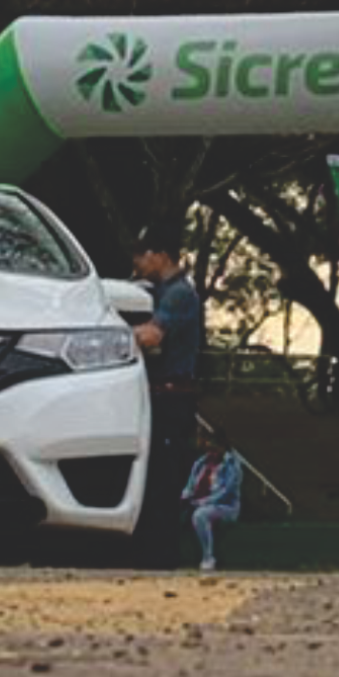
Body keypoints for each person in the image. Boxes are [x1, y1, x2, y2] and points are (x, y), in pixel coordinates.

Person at [133, 227, 206, 561]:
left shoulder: (179, 294)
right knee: (155, 473)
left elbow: (151, 337)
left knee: (165, 474)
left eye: (141, 256)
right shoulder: (161, 291)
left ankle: (162, 554)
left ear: (159, 255)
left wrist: (112, 334)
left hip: (172, 395)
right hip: (160, 394)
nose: (137, 264)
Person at [181, 429, 243, 572]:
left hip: (226, 507)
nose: (210, 453)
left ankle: (208, 557)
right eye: (208, 449)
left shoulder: (232, 464)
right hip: (199, 503)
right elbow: (190, 486)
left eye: (214, 449)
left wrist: (202, 502)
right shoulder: (200, 463)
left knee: (200, 515)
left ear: (222, 447)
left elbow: (226, 492)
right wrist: (185, 497)